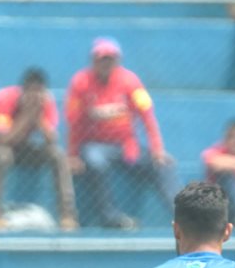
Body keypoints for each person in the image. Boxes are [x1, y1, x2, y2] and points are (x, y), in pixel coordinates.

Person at [65, 37, 179, 230]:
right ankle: (110, 217)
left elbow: (147, 115)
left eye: (110, 59)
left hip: (126, 146)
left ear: (117, 61)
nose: (106, 64)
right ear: (93, 61)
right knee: (95, 161)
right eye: (102, 59)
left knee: (162, 165)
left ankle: (183, 214)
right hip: (94, 145)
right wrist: (73, 154)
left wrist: (157, 149)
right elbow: (73, 120)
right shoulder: (80, 82)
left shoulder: (130, 81)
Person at [0, 67, 78, 232]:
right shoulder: (5, 98)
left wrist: (38, 117)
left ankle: (67, 215)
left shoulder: (46, 101)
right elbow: (4, 139)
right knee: (2, 156)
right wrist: (26, 116)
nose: (35, 96)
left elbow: (52, 139)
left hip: (26, 148)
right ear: (23, 90)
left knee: (57, 154)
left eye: (39, 92)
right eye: (31, 91)